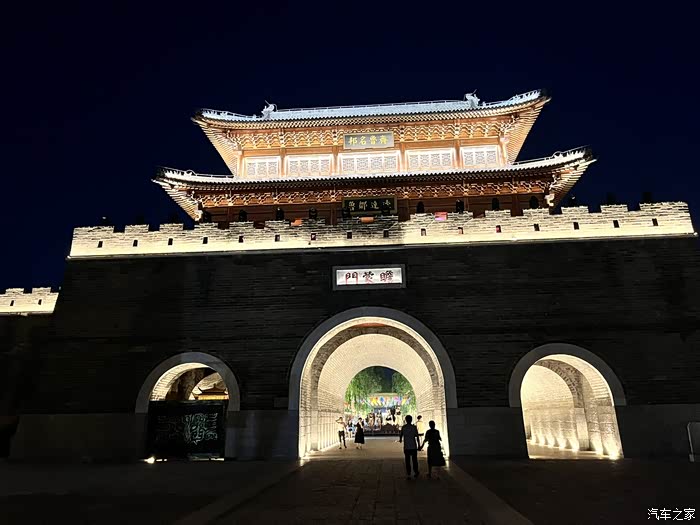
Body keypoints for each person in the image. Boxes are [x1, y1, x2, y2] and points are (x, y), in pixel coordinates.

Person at [399, 415, 420, 479]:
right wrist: (419, 445)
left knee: (407, 460)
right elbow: (417, 437)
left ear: (406, 420)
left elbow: (401, 435)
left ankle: (409, 473)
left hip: (407, 447)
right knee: (414, 460)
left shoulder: (404, 427)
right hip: (413, 446)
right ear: (411, 420)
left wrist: (400, 439)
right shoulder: (414, 427)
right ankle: (416, 472)